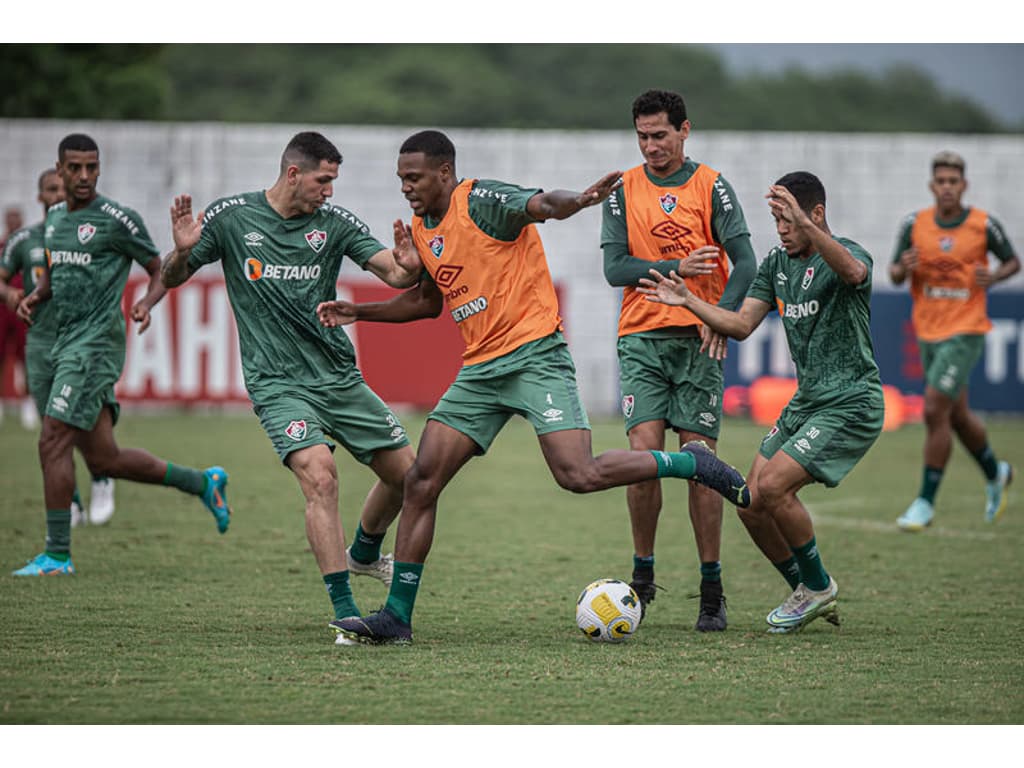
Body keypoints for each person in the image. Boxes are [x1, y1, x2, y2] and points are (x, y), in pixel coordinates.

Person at [322, 129, 751, 645]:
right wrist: (360, 312)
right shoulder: (422, 226)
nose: (406, 188)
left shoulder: (480, 199)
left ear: (443, 172)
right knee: (421, 481)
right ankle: (396, 618)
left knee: (578, 474)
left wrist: (580, 201)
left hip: (535, 356)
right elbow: (426, 303)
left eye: (413, 178)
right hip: (480, 370)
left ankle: (693, 464)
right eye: (400, 180)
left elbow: (542, 203)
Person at [159, 131, 422, 645]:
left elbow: (391, 272)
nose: (330, 191)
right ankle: (346, 612)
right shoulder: (233, 218)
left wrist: (407, 264)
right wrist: (179, 253)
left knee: (410, 479)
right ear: (294, 173)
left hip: (338, 377)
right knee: (320, 479)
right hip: (278, 383)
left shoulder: (335, 223)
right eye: (324, 180)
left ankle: (365, 553)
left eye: (334, 182)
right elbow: (173, 277)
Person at [639, 171, 883, 634]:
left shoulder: (846, 254)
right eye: (776, 220)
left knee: (773, 487)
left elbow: (855, 273)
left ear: (816, 214)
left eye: (787, 219)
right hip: (806, 403)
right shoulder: (776, 265)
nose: (782, 229)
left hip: (851, 401)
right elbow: (740, 324)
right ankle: (808, 589)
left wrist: (811, 231)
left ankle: (816, 587)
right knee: (751, 503)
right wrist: (688, 300)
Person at [12, 133, 230, 577]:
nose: (84, 176)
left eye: (92, 167)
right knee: (104, 459)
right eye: (74, 168)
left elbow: (159, 270)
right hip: (62, 342)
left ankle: (57, 555)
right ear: (59, 169)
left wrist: (147, 304)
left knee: (52, 437)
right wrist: (38, 295)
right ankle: (202, 482)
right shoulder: (54, 218)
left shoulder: (117, 219)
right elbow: (55, 271)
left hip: (95, 347)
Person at [601, 89, 757, 631]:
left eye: (660, 136)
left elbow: (747, 263)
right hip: (641, 338)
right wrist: (677, 267)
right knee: (643, 461)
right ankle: (642, 577)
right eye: (642, 137)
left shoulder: (711, 185)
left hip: (697, 341)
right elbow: (616, 268)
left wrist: (724, 317)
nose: (651, 147)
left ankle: (710, 589)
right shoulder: (622, 188)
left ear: (684, 130)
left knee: (700, 467)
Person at [889, 150, 1019, 531]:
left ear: (963, 185)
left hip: (966, 329)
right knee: (956, 415)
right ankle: (996, 472)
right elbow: (896, 273)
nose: (947, 187)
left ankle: (925, 503)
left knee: (933, 409)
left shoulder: (983, 225)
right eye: (941, 181)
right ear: (933, 186)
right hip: (928, 329)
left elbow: (1012, 261)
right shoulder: (915, 224)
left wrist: (994, 278)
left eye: (953, 181)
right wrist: (903, 268)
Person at [0, 170, 117, 527]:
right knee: (52, 430)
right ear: (40, 196)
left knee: (86, 419)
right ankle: (72, 502)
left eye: (62, 190)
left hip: (84, 341)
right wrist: (9, 294)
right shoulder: (25, 240)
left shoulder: (91, 235)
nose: (56, 196)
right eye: (50, 190)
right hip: (41, 343)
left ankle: (102, 477)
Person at [0, 204, 36, 430]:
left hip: (24, 308)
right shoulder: (2, 247)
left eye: (17, 217)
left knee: (27, 359)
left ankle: (29, 404)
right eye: (10, 217)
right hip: (2, 310)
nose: (13, 221)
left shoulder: (30, 246)